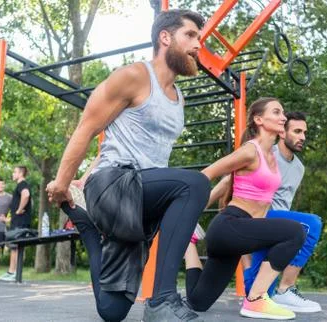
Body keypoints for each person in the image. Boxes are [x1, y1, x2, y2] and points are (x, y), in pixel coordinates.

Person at [46, 10, 210, 322]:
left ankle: (86, 226)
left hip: (141, 200)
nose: (197, 45)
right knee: (196, 184)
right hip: (113, 184)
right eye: (190, 35)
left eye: (199, 38)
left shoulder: (179, 99)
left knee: (112, 311)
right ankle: (162, 300)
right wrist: (62, 183)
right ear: (165, 37)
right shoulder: (134, 76)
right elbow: (86, 128)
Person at [183, 97, 305, 320]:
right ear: (259, 119)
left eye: (283, 113)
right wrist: (187, 211)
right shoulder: (251, 151)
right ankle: (256, 299)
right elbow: (208, 174)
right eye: (277, 112)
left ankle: (189, 241)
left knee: (198, 301)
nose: (283, 117)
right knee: (296, 232)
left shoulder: (272, 157)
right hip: (230, 225)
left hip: (236, 236)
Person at [242, 111, 323, 313]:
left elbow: (284, 204)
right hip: (258, 220)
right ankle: (285, 290)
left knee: (259, 294)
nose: (302, 137)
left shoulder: (299, 168)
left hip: (278, 228)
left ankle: (277, 291)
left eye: (304, 132)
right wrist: (244, 249)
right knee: (312, 224)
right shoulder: (266, 155)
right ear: (282, 133)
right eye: (297, 131)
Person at [0, 166, 32, 282]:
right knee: (14, 247)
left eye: (15, 172)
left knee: (17, 246)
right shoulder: (19, 185)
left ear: (21, 173)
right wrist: (8, 219)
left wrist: (19, 210)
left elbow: (26, 194)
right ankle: (11, 271)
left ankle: (15, 272)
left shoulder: (22, 184)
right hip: (17, 221)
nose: (13, 174)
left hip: (20, 222)